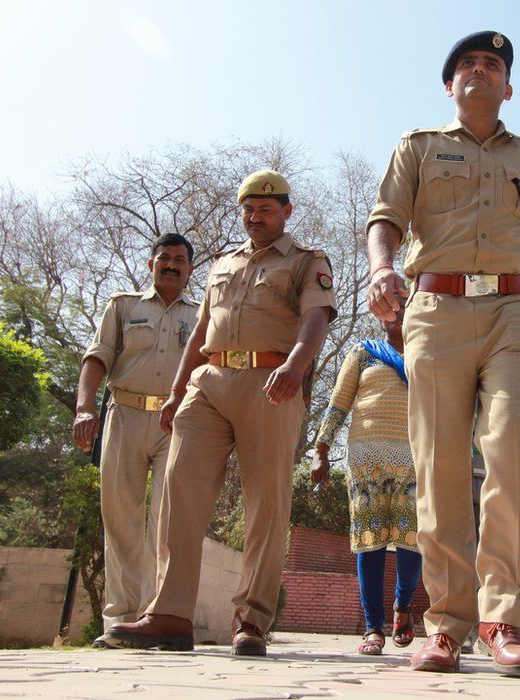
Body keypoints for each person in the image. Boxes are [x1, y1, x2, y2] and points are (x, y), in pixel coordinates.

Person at [365, 30, 520, 676]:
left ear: (508, 86)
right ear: (450, 85)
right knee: (439, 468)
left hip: (516, 311)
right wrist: (382, 269)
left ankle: (504, 617)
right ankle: (448, 624)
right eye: (467, 63)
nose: (479, 70)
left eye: (492, 64)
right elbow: (386, 219)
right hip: (435, 312)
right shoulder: (419, 148)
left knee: (514, 443)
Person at [105, 170, 337, 656]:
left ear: (287, 211)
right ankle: (169, 614)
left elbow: (316, 318)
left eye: (266, 209)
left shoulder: (306, 261)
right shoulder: (222, 263)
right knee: (179, 491)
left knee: (266, 505)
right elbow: (200, 330)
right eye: (249, 209)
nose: (256, 217)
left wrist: (297, 367)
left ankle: (251, 619)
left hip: (272, 383)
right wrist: (175, 391)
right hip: (206, 384)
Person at [73, 233, 198, 647]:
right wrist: (85, 407)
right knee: (120, 518)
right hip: (123, 414)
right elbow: (98, 356)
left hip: (175, 422)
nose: (171, 265)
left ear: (190, 270)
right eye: (164, 258)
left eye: (180, 260)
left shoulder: (201, 315)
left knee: (167, 522)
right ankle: (120, 619)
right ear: (151, 264)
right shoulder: (122, 305)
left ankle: (156, 618)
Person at [310, 303, 423, 656]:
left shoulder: (429, 352)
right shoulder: (363, 352)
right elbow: (339, 401)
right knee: (369, 539)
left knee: (412, 539)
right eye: (390, 309)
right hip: (366, 458)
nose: (397, 315)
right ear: (380, 315)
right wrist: (321, 448)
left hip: (415, 456)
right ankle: (373, 627)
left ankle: (402, 609)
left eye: (405, 308)